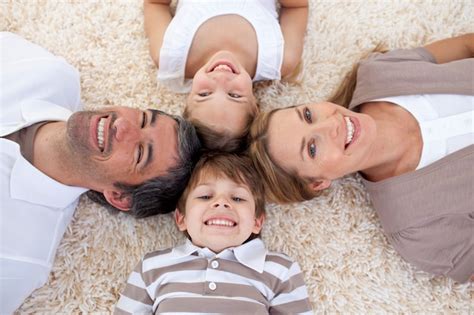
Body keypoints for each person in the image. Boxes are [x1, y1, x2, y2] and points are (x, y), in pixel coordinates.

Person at [0, 32, 201, 313]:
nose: (124, 127)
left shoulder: (19, 256)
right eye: (143, 118)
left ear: (118, 196)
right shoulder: (47, 73)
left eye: (140, 153)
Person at [249, 33, 474, 283]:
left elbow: (467, 45)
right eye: (312, 149)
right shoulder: (416, 230)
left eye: (309, 115)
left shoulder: (380, 73)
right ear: (318, 183)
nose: (331, 123)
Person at [115, 153, 313, 314]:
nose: (221, 202)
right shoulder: (152, 267)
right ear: (181, 219)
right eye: (205, 196)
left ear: (257, 221)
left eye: (237, 198)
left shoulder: (279, 270)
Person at [144, 0, 308, 151]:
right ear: (255, 105)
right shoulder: (280, 59)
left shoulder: (170, 54)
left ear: (188, 100)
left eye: (205, 94)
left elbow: (155, 4)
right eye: (234, 95)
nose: (221, 79)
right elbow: (297, 7)